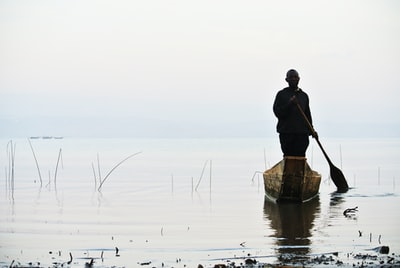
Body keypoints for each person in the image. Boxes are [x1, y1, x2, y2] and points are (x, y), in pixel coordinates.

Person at [273, 69, 316, 157]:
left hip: (302, 134)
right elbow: (278, 112)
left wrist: (312, 130)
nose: (293, 79)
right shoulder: (281, 94)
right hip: (287, 134)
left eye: (295, 77)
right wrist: (290, 103)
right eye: (291, 77)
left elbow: (307, 115)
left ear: (299, 79)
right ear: (286, 80)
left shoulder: (304, 96)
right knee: (289, 158)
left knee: (301, 158)